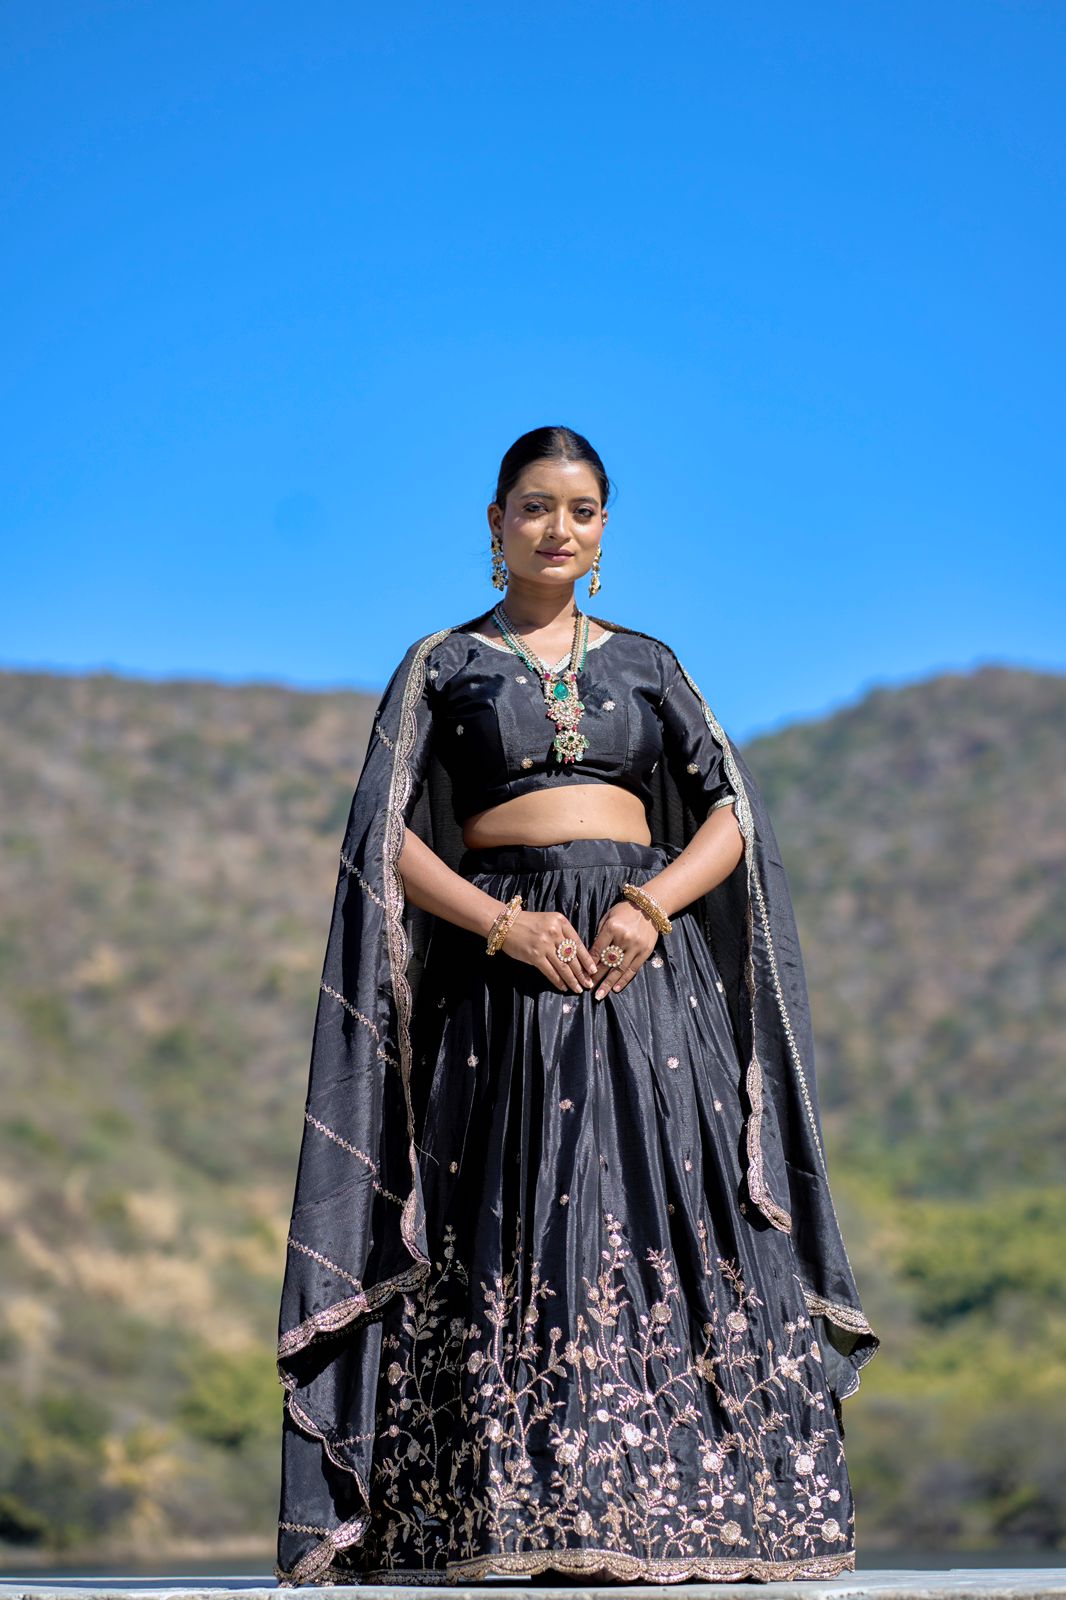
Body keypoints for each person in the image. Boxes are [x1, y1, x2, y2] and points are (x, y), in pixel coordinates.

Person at [274, 426, 879, 1586]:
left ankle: (700, 1513)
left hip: (642, 975)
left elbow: (731, 812)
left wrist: (650, 907)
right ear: (494, 523)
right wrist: (502, 925)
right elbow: (381, 840)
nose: (560, 528)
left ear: (604, 533)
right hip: (503, 983)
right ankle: (507, 1514)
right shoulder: (443, 666)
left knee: (672, 1214)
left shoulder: (650, 665)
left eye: (584, 510)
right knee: (518, 1217)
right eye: (537, 506)